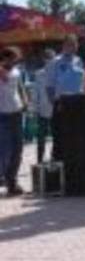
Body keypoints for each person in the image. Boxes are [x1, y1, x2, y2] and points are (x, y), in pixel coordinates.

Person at [0, 48, 29, 196]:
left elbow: (20, 87)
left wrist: (25, 101)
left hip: (16, 113)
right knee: (5, 150)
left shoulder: (17, 71)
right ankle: (3, 177)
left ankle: (12, 182)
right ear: (5, 58)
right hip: (2, 115)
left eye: (16, 59)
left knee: (18, 150)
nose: (15, 61)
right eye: (13, 58)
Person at [33, 49, 56, 163]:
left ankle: (53, 158)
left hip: (55, 110)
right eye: (48, 58)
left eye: (51, 58)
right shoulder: (39, 74)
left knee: (56, 137)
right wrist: (35, 109)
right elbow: (35, 93)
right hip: (42, 111)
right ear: (44, 60)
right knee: (40, 138)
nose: (50, 61)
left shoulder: (57, 74)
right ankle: (39, 160)